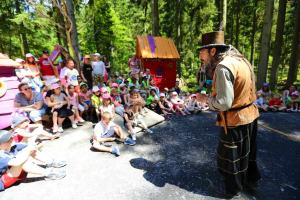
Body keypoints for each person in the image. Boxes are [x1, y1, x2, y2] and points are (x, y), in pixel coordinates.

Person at [199, 31, 260, 198]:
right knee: (246, 153)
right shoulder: (241, 60)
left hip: (234, 119)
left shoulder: (223, 67)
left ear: (213, 51)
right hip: (250, 115)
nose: (200, 55)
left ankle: (233, 190)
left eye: (202, 51)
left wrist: (206, 100)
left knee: (231, 157)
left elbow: (224, 103)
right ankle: (250, 181)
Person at [0, 130, 66, 191]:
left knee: (28, 150)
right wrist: (28, 151)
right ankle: (48, 173)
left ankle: (51, 162)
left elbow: (29, 146)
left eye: (11, 137)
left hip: (12, 172)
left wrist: (34, 146)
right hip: (3, 181)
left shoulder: (13, 146)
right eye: (8, 140)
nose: (12, 139)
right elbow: (16, 163)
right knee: (22, 160)